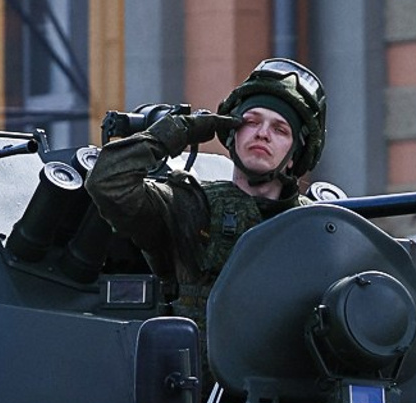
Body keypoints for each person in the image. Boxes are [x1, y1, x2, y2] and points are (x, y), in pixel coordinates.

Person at [86, 58, 328, 323]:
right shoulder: (191, 206)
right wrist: (180, 131)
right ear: (231, 132)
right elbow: (108, 182)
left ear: (294, 155)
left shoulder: (314, 227)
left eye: (280, 130)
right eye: (251, 121)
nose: (262, 134)